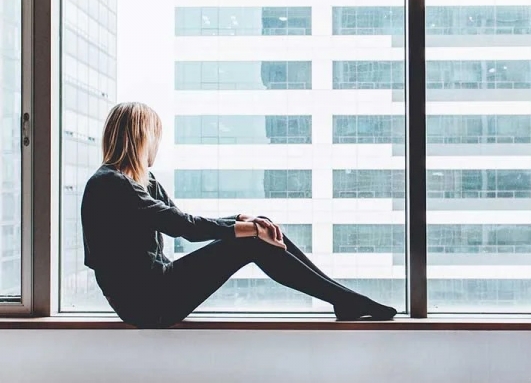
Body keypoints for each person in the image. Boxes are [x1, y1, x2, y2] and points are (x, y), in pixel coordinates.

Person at [81, 102, 397, 328]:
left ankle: (342, 298)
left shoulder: (143, 181)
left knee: (258, 228)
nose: (158, 146)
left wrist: (246, 220)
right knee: (252, 239)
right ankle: (344, 299)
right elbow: (183, 227)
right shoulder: (110, 184)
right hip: (147, 302)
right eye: (156, 137)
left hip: (157, 289)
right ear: (142, 138)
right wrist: (246, 229)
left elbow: (180, 218)